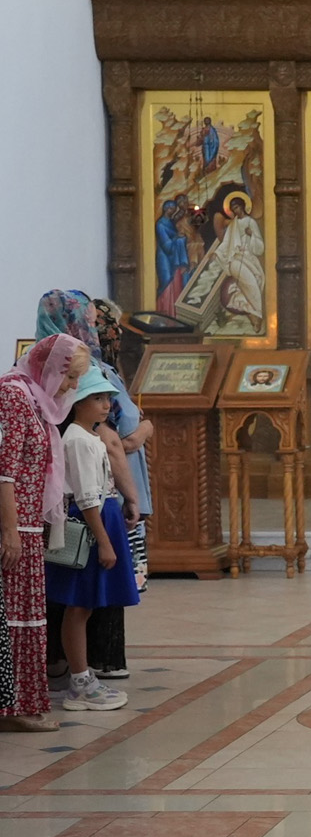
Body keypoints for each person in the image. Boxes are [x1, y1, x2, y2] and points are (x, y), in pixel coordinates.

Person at [36, 293, 150, 682]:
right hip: (89, 513)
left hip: (79, 506)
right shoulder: (87, 375)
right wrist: (132, 497)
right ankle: (93, 668)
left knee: (75, 596)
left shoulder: (40, 368)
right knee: (85, 596)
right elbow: (116, 445)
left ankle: (63, 664)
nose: (105, 405)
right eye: (98, 399)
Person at [0, 336, 88, 733]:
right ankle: (12, 705)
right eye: (69, 377)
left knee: (28, 616)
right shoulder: (13, 395)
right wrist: (10, 531)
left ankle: (22, 702)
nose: (71, 386)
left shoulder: (35, 399)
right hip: (13, 526)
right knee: (15, 617)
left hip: (28, 524)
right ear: (49, 368)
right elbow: (4, 472)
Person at [48, 368, 138, 714]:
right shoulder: (78, 440)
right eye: (97, 398)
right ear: (77, 402)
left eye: (107, 398)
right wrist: (104, 541)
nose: (105, 405)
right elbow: (87, 498)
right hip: (90, 527)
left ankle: (82, 677)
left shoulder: (90, 436)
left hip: (103, 518)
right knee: (79, 604)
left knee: (85, 605)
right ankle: (80, 682)